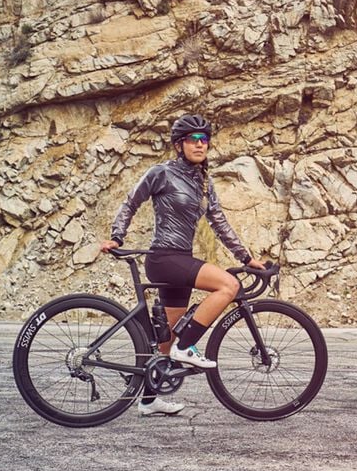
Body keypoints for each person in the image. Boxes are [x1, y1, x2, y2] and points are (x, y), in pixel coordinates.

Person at [101, 114, 264, 417]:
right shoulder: (160, 173)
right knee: (229, 285)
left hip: (180, 259)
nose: (201, 145)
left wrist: (246, 257)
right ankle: (187, 348)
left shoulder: (203, 182)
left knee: (167, 341)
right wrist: (117, 236)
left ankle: (149, 400)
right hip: (165, 258)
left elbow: (219, 222)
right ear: (179, 145)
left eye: (205, 140)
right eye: (194, 140)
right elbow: (131, 202)